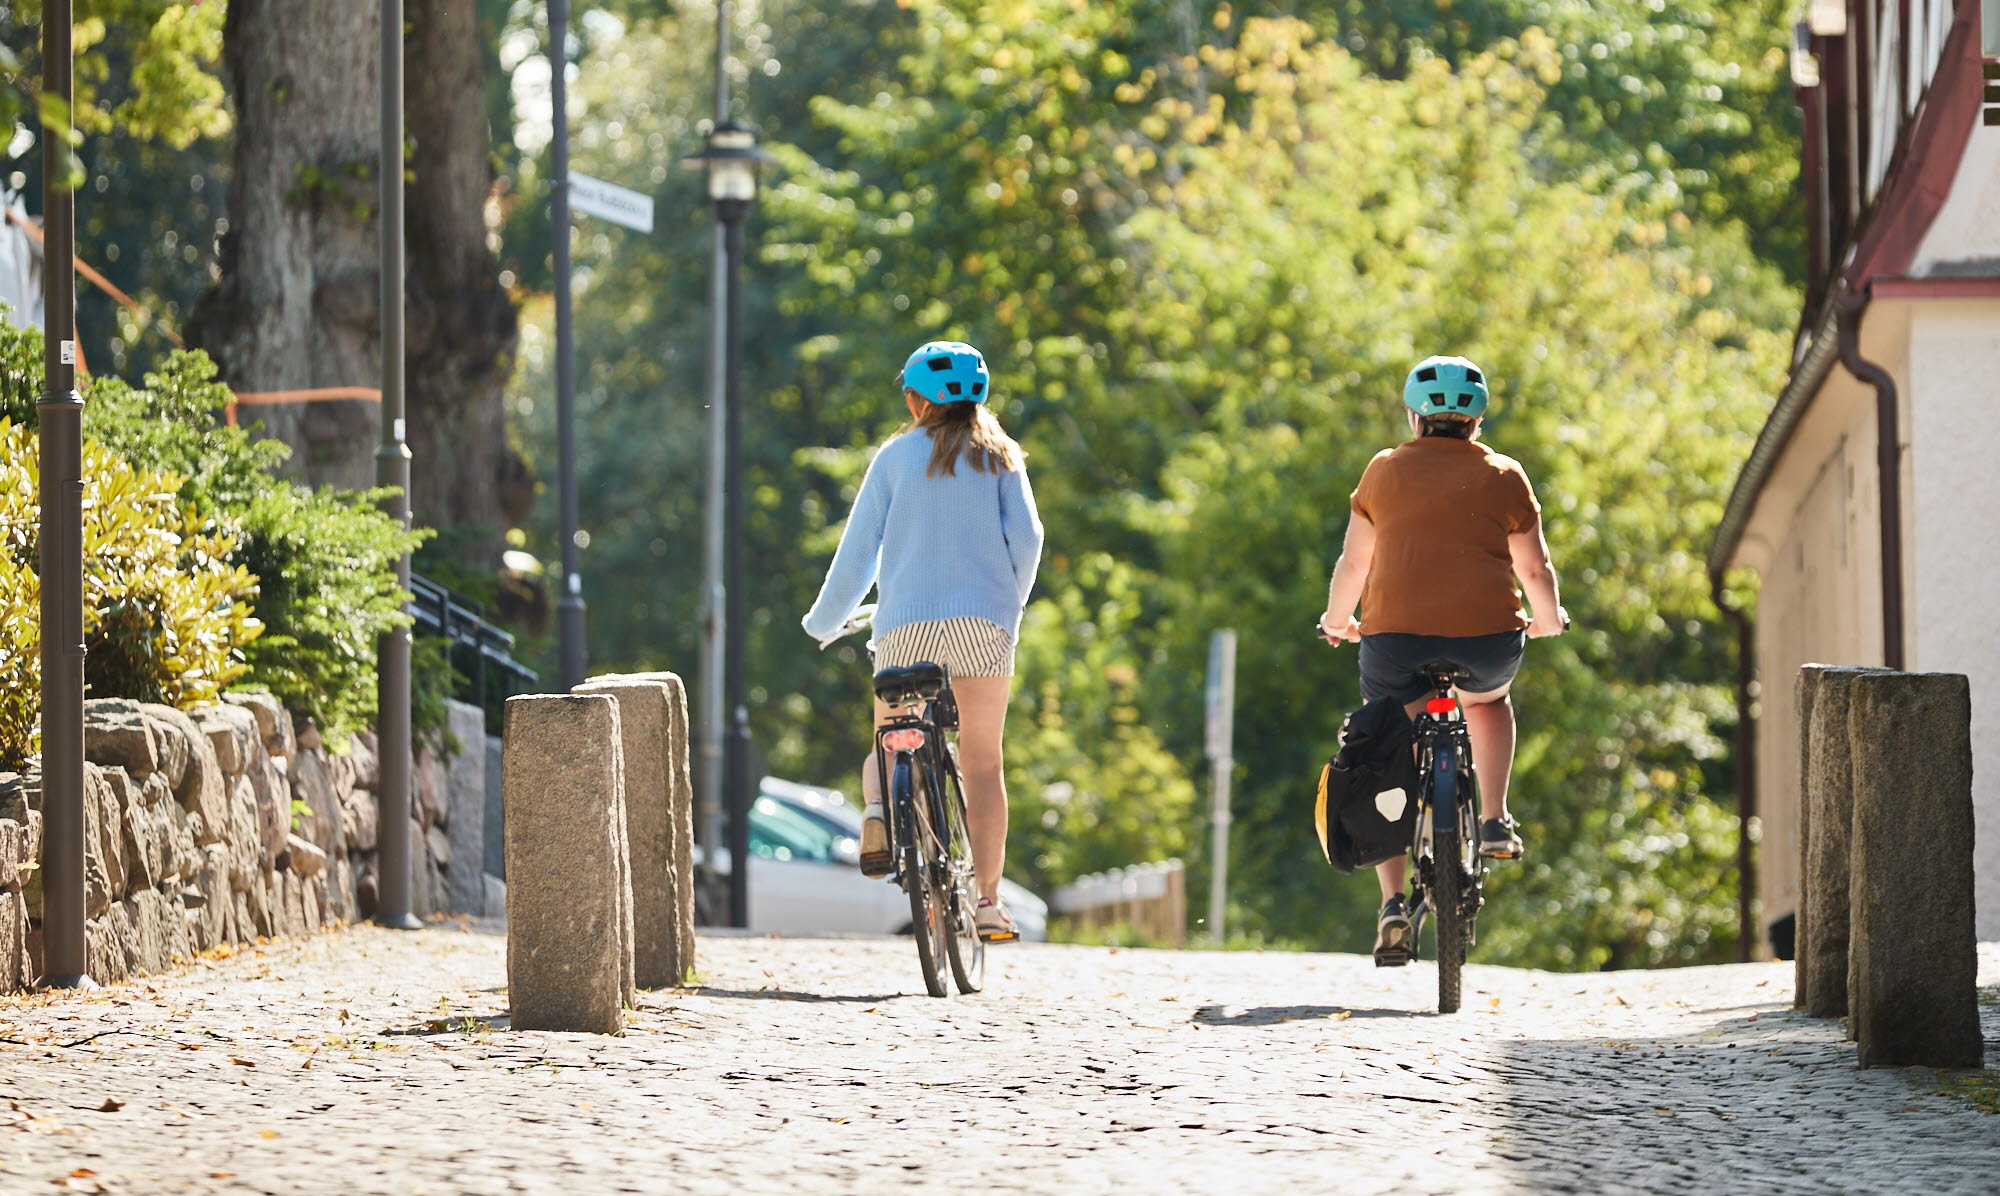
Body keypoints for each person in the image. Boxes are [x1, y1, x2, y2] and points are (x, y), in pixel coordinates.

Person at [1316, 354, 1567, 966]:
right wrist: (1550, 618)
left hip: (1393, 642)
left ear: (1413, 415)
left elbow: (1355, 565)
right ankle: (1494, 819)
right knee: (1490, 701)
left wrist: (1336, 622)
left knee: (1389, 747)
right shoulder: (1506, 475)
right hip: (1487, 642)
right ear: (1477, 420)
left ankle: (1394, 904)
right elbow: (1533, 568)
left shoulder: (1382, 472)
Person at [802, 340, 1044, 942]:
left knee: (888, 739)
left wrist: (822, 621)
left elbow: (858, 555)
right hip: (984, 629)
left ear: (915, 401)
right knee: (984, 763)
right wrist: (1005, 607)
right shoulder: (1003, 457)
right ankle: (988, 900)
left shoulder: (894, 458)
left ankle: (882, 812)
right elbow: (1031, 540)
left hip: (905, 628)